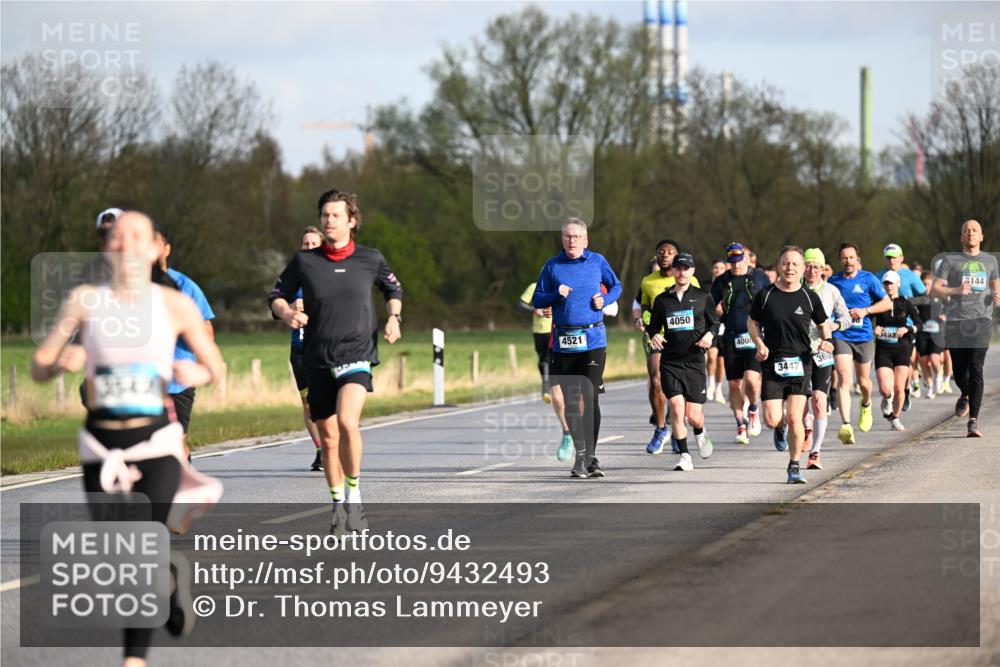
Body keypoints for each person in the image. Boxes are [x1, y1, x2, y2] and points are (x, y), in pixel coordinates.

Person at [32, 211, 224, 667]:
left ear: (154, 248)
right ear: (106, 247)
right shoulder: (84, 300)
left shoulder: (174, 304)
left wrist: (192, 370)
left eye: (137, 236)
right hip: (102, 446)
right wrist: (62, 361)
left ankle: (133, 660)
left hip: (156, 443)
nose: (125, 244)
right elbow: (40, 365)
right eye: (116, 237)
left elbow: (215, 366)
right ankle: (171, 582)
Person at [269, 189, 403, 533]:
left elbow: (393, 289)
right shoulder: (305, 261)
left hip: (357, 353)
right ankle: (337, 504)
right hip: (317, 357)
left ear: (351, 221)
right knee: (328, 438)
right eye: (325, 215)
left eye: (336, 215)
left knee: (347, 422)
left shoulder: (370, 259)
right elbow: (276, 295)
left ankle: (355, 498)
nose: (329, 220)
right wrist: (286, 313)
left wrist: (393, 318)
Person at [533, 218, 622, 478]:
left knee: (589, 394)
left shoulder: (597, 262)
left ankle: (588, 458)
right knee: (571, 403)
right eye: (567, 236)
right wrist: (555, 295)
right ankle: (582, 455)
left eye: (576, 236)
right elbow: (537, 298)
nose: (572, 241)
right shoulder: (552, 266)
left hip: (593, 339)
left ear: (586, 240)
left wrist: (604, 299)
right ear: (562, 239)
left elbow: (617, 286)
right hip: (563, 341)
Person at [748, 246, 833, 484]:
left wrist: (827, 341)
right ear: (779, 266)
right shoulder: (765, 295)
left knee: (797, 417)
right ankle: (779, 426)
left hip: (801, 362)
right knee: (772, 419)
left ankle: (794, 466)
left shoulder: (809, 296)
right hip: (772, 363)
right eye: (786, 263)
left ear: (803, 268)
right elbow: (752, 322)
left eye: (795, 264)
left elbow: (824, 323)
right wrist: (759, 343)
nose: (790, 268)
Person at [646, 252, 719, 471]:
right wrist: (654, 335)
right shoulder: (662, 300)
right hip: (670, 362)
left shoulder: (703, 296)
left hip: (695, 363)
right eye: (678, 268)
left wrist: (709, 336)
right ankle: (685, 455)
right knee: (676, 408)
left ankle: (700, 430)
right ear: (673, 271)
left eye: (686, 268)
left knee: (693, 416)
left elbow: (714, 324)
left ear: (693, 271)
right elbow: (652, 325)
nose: (682, 272)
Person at [930, 219, 1000, 438]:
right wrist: (956, 289)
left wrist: (996, 297)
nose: (970, 233)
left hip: (981, 321)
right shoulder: (950, 261)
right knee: (960, 373)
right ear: (961, 237)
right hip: (956, 321)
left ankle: (973, 421)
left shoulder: (990, 261)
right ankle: (966, 394)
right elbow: (935, 290)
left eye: (974, 230)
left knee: (976, 367)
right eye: (966, 230)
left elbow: (996, 288)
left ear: (981, 236)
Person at [154, 226, 215, 460]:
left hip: (178, 380)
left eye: (156, 244)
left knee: (176, 442)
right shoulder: (129, 288)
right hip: (142, 379)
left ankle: (182, 478)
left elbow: (207, 331)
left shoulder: (184, 286)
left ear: (167, 249)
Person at [632, 240, 699, 455]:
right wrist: (644, 319)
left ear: (678, 257)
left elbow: (699, 305)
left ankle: (681, 426)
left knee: (682, 390)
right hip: (659, 338)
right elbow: (644, 305)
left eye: (670, 252)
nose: (665, 255)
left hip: (685, 341)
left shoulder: (691, 279)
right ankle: (661, 428)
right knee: (656, 379)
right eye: (661, 252)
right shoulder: (648, 281)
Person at [828, 243, 892, 445]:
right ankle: (846, 424)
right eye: (844, 258)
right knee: (844, 378)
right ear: (840, 260)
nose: (848, 261)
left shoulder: (868, 279)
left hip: (863, 336)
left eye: (851, 257)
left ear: (857, 259)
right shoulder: (833, 281)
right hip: (841, 335)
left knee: (864, 381)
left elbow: (887, 303)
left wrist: (866, 311)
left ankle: (866, 404)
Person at [711, 242, 769, 444]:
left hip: (754, 336)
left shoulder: (759, 277)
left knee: (752, 380)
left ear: (746, 257)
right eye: (732, 262)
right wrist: (715, 315)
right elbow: (710, 307)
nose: (736, 266)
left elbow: (770, 302)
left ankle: (753, 409)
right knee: (734, 384)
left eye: (739, 261)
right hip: (731, 336)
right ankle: (740, 425)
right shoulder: (721, 281)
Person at [801, 248, 851, 470]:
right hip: (798, 351)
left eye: (816, 267)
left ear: (823, 270)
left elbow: (846, 317)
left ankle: (815, 453)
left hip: (822, 350)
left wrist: (836, 326)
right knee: (800, 403)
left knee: (819, 401)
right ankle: (806, 428)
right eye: (808, 266)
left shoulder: (831, 291)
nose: (812, 270)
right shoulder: (793, 289)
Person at [520, 281, 573, 462]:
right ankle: (567, 433)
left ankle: (583, 442)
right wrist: (538, 310)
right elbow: (523, 303)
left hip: (572, 337)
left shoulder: (568, 285)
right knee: (544, 362)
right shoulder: (535, 287)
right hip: (543, 332)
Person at [292, 226, 326, 471]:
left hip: (325, 347)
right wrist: (291, 306)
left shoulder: (331, 273)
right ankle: (320, 449)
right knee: (308, 405)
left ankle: (332, 445)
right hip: (299, 348)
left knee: (325, 401)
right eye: (306, 244)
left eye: (314, 243)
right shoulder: (294, 275)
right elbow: (275, 305)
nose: (310, 247)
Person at [872, 270, 923, 431]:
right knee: (886, 388)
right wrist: (875, 328)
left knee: (899, 387)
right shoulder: (877, 302)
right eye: (886, 283)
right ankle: (887, 398)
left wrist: (908, 329)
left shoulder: (905, 302)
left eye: (891, 283)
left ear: (898, 284)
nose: (888, 286)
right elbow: (868, 320)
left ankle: (896, 418)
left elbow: (919, 323)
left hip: (902, 348)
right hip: (883, 349)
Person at [876, 243, 926, 403]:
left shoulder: (910, 276)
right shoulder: (878, 277)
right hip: (886, 327)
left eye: (895, 257)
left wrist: (912, 307)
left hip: (907, 326)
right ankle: (891, 392)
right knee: (887, 366)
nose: (892, 261)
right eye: (889, 257)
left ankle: (903, 390)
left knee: (907, 360)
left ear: (901, 258)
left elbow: (924, 294)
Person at [913, 272, 946, 399]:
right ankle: (931, 387)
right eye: (923, 284)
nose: (926, 286)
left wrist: (945, 316)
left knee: (934, 359)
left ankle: (939, 374)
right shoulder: (918, 299)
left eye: (928, 284)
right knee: (924, 363)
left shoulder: (940, 297)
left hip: (937, 333)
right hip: (922, 333)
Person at [706, 259, 728, 404]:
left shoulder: (728, 285)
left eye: (721, 267)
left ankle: (719, 388)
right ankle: (711, 383)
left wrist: (724, 310)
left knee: (721, 361)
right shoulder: (706, 285)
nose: (718, 269)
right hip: (710, 326)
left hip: (726, 326)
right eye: (716, 267)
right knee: (712, 356)